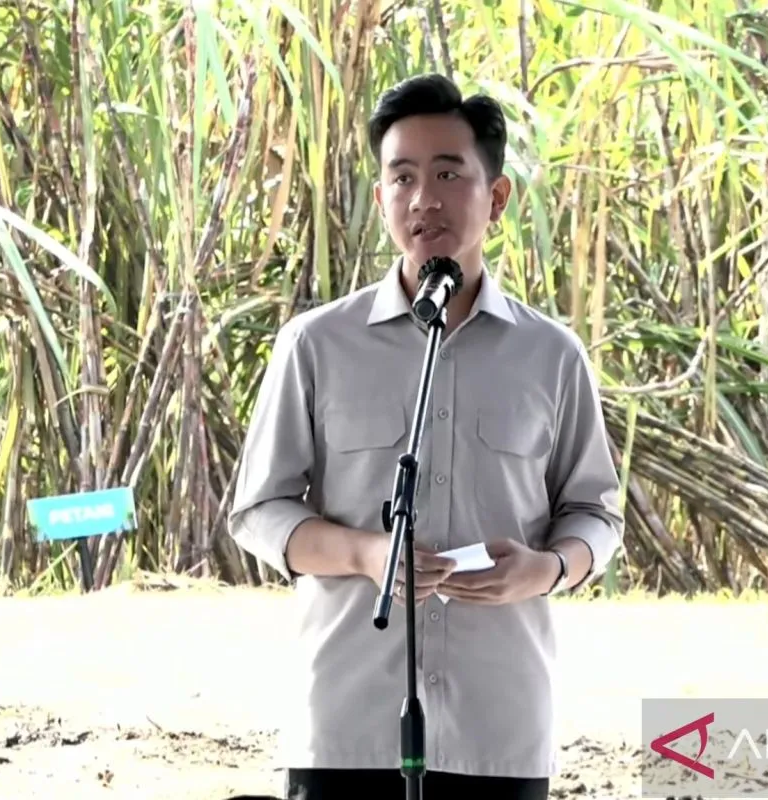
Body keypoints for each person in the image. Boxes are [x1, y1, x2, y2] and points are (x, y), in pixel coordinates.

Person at [229, 72, 625, 800]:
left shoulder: (551, 356)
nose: (423, 199)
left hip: (498, 730)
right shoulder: (317, 344)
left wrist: (547, 569)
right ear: (381, 195)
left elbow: (596, 515)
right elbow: (259, 511)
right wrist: (365, 554)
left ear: (496, 197)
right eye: (402, 176)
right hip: (348, 726)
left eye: (448, 174)